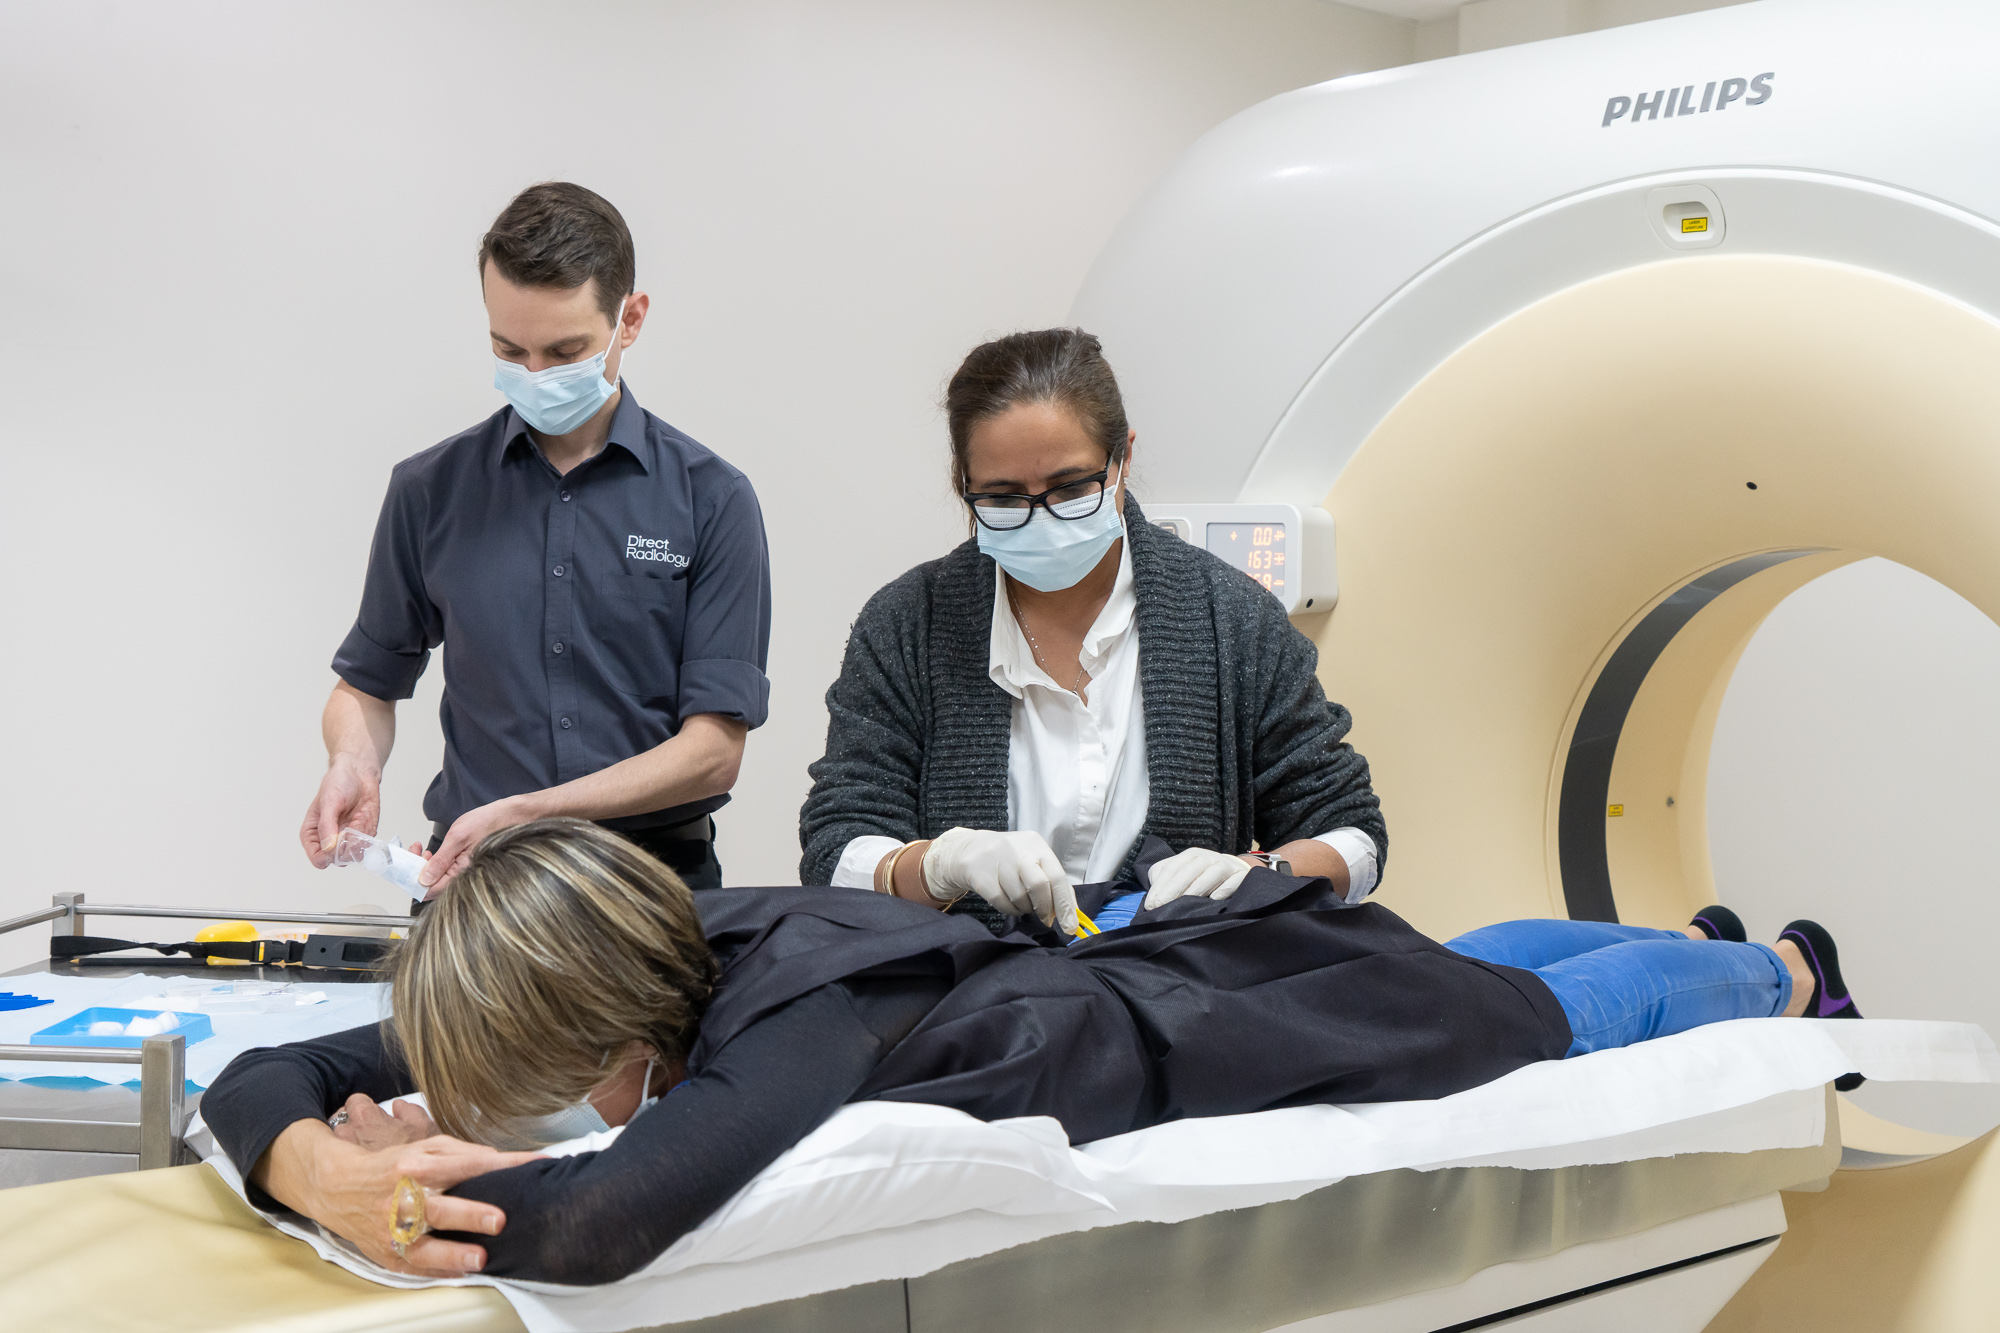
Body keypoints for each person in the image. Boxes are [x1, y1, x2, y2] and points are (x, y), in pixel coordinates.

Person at [203, 819, 1862, 1285]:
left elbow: (597, 1220)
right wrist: (329, 1158)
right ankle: (1707, 941)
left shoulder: (795, 1026)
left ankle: (1780, 968)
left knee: (1537, 1010)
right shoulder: (671, 929)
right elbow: (252, 1075)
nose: (479, 1107)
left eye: (512, 1088)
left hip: (1245, 1013)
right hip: (1193, 950)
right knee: (1467, 951)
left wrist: (400, 1195)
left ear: (610, 1048)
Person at [799, 329, 1383, 933]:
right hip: (969, 997)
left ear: (1123, 458)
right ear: (962, 485)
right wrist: (939, 865)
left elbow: (1354, 834)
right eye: (1002, 497)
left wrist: (1263, 872)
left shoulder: (1231, 619)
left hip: (1176, 982)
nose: (1041, 515)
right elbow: (834, 848)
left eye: (1072, 488)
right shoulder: (906, 625)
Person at [298, 183, 771, 894]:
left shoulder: (713, 500)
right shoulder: (429, 490)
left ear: (630, 319)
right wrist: (353, 763)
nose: (536, 375)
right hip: (475, 889)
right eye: (509, 349)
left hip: (651, 887)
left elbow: (712, 753)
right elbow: (367, 686)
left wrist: (531, 813)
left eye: (566, 349)